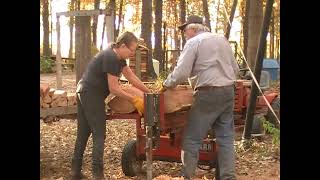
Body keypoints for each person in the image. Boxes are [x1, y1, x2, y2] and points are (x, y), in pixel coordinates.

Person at [160, 15, 239, 180]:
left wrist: (166, 85)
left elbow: (181, 73)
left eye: (185, 31)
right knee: (225, 138)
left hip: (208, 93)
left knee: (192, 138)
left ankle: (187, 176)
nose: (184, 35)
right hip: (228, 91)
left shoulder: (194, 42)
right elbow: (235, 69)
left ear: (193, 29)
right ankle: (228, 177)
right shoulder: (222, 40)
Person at [71, 31, 151, 180]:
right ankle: (97, 175)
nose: (133, 53)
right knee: (99, 134)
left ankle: (74, 172)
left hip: (83, 91)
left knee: (83, 133)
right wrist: (134, 99)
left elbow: (131, 77)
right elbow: (114, 88)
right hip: (91, 94)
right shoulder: (111, 58)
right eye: (131, 49)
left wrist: (149, 92)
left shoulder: (117, 57)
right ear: (122, 46)